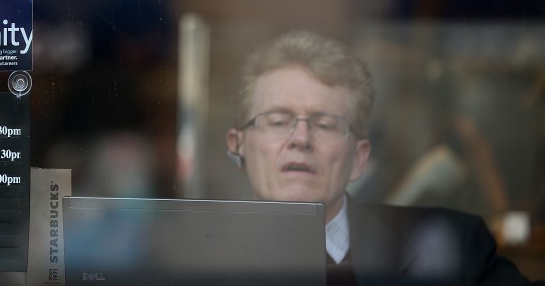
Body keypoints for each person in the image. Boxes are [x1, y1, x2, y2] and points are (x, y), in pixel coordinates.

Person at [226, 30, 543, 286]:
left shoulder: (454, 249)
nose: (301, 139)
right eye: (278, 121)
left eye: (325, 124)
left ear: (359, 159)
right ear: (237, 145)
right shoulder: (186, 260)